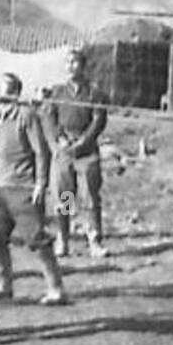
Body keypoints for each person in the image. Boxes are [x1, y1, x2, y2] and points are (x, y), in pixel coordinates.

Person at [0, 72, 67, 306]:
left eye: (7, 91)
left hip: (24, 188)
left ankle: (56, 289)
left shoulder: (26, 116)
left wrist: (40, 184)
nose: (2, 96)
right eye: (0, 90)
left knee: (37, 240)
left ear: (15, 93)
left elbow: (41, 152)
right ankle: (2, 285)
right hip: (1, 188)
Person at [46, 48, 109, 259]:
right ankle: (63, 239)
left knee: (90, 196)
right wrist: (60, 140)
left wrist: (83, 142)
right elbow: (50, 119)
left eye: (75, 62)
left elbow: (99, 120)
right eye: (68, 62)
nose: (71, 66)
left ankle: (94, 241)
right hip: (64, 151)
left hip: (87, 152)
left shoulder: (94, 92)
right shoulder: (57, 93)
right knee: (65, 197)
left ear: (83, 66)